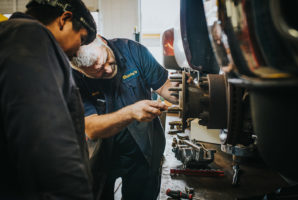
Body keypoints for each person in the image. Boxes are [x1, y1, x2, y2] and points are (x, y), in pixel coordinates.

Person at [0, 0, 97, 199]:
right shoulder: (30, 36)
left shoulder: (9, 35)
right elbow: (46, 137)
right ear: (65, 19)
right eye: (82, 39)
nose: (79, 51)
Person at [71, 35, 179, 200]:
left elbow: (164, 86)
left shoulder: (133, 51)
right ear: (81, 70)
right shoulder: (73, 78)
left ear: (102, 41)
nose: (107, 69)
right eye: (97, 71)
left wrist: (184, 94)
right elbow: (91, 128)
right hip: (101, 155)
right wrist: (131, 113)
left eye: (106, 60)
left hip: (143, 151)